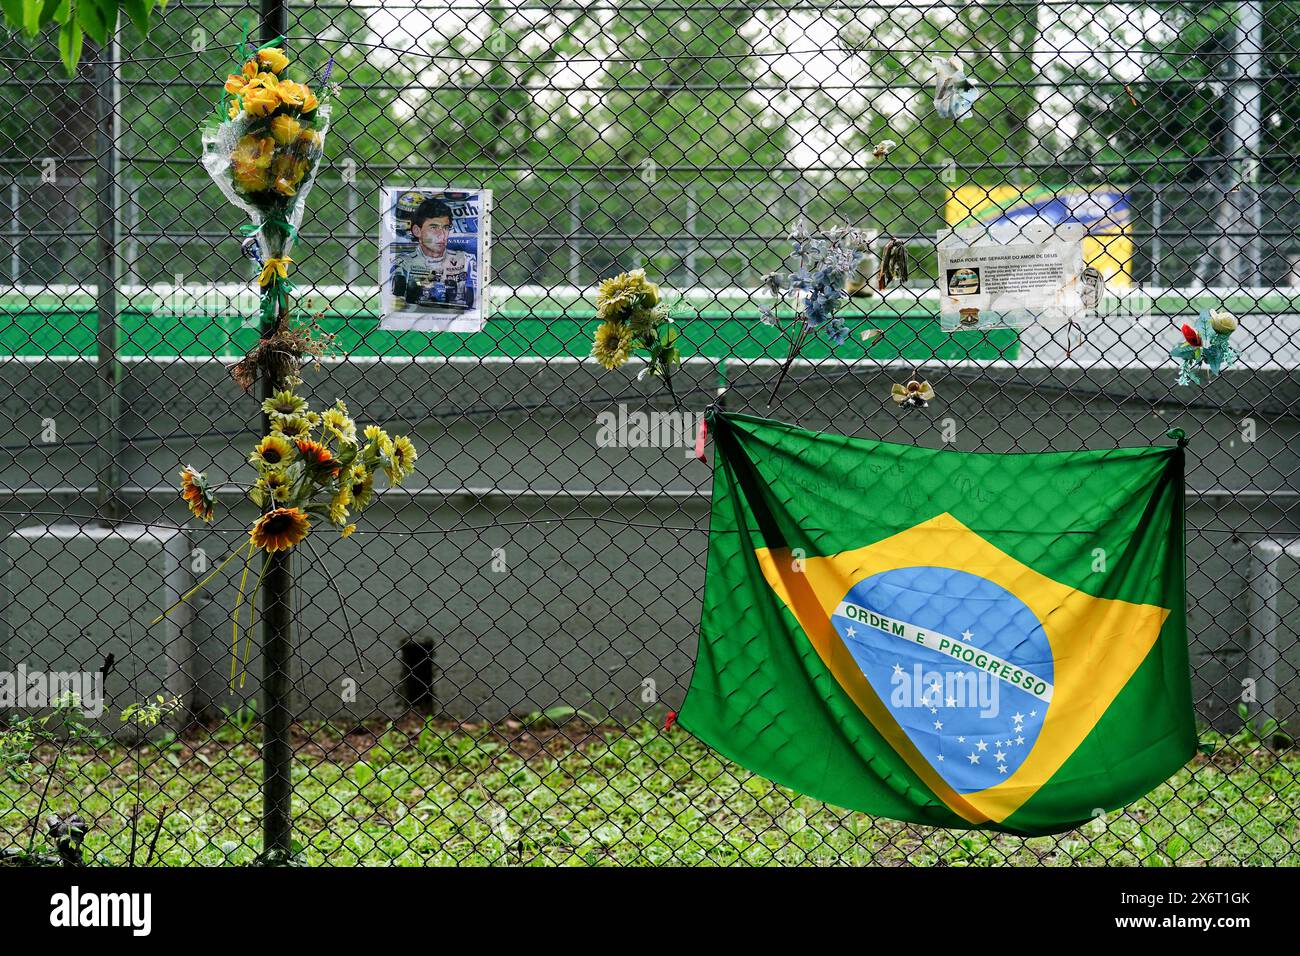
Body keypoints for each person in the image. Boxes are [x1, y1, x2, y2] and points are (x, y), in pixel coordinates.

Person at [390, 196, 476, 310]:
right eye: (434, 228)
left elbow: (470, 300)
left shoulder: (466, 259)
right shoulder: (403, 262)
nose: (442, 235)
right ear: (417, 231)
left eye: (445, 228)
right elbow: (395, 300)